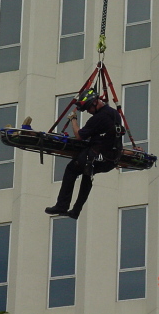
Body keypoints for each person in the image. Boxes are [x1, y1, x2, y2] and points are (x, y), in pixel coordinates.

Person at [45, 88, 123, 220]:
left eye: (88, 108)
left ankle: (62, 205)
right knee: (87, 176)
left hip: (95, 156)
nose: (88, 111)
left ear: (94, 103)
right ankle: (75, 211)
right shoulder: (115, 114)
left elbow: (79, 135)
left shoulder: (98, 118)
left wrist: (73, 120)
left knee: (71, 169)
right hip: (110, 160)